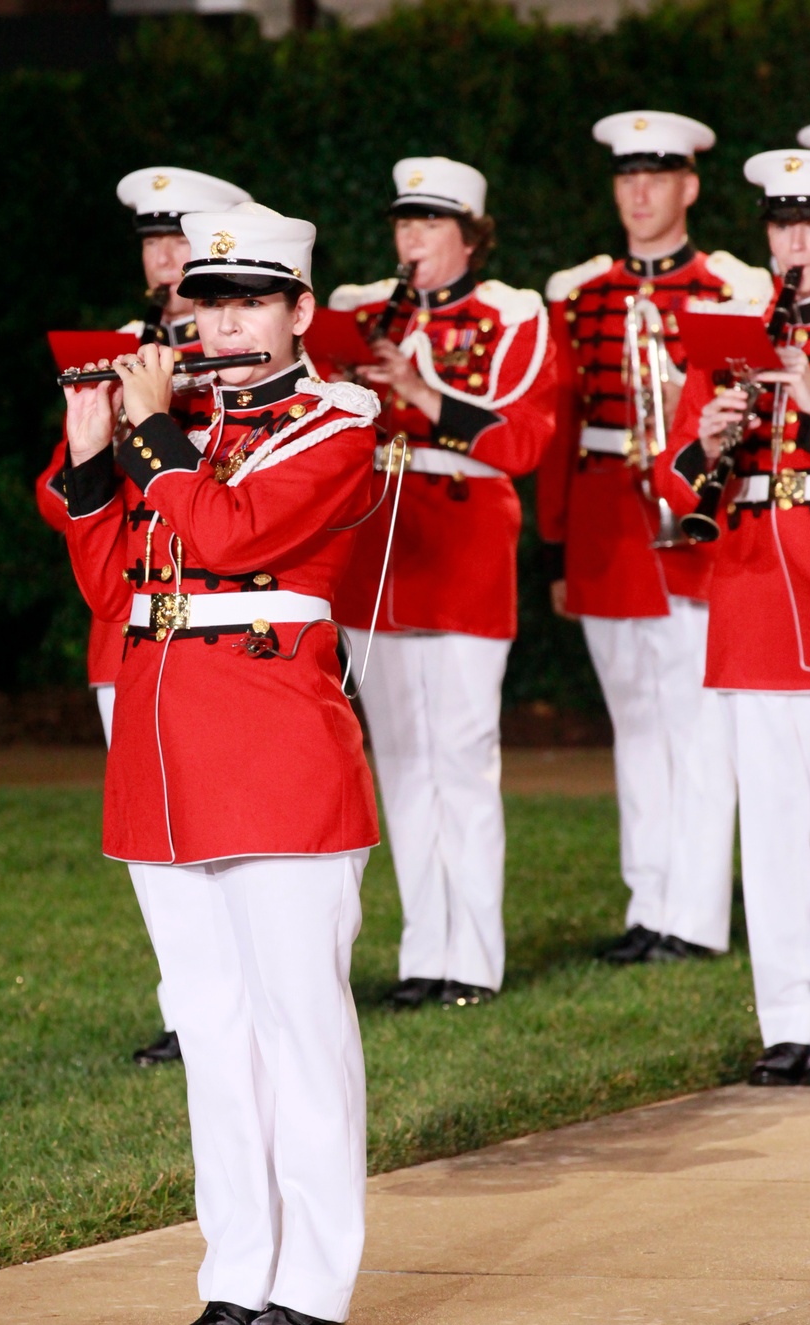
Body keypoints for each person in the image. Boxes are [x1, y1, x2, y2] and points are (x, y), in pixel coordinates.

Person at [61, 202, 382, 1325]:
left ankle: (314, 1284)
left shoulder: (337, 422)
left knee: (299, 1023)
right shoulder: (178, 427)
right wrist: (97, 447)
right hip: (161, 750)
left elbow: (236, 534)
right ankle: (238, 1271)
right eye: (207, 300)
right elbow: (114, 587)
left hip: (276, 745)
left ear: (301, 310)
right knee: (209, 1024)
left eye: (251, 299)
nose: (223, 320)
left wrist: (150, 438)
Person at [537, 111, 772, 966]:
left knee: (698, 721)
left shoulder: (731, 288)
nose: (638, 192)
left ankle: (697, 915)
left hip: (693, 518)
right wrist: (557, 544)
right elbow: (563, 426)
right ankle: (651, 903)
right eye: (626, 176)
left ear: (690, 186)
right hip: (606, 518)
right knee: (635, 722)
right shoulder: (581, 294)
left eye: (656, 176)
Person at [329, 156, 556, 1011]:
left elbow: (524, 440)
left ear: (471, 235)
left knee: (462, 759)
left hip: (461, 549)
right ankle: (425, 953)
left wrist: (421, 393)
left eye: (430, 224)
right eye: (403, 223)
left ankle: (474, 960)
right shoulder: (356, 309)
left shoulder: (513, 313)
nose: (412, 239)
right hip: (380, 549)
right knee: (400, 762)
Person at [37, 167, 251, 1067]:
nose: (164, 259)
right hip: (128, 615)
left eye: (181, 242)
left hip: (228, 621)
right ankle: (188, 1014)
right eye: (154, 245)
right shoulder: (122, 353)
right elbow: (60, 492)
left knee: (236, 830)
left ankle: (249, 1002)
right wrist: (100, 445)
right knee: (157, 839)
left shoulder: (252, 365)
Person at [658, 146, 810, 1086]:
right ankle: (791, 1024)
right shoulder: (734, 332)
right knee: (772, 821)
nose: (793, 241)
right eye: (780, 225)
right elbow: (674, 479)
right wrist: (708, 436)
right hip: (757, 591)